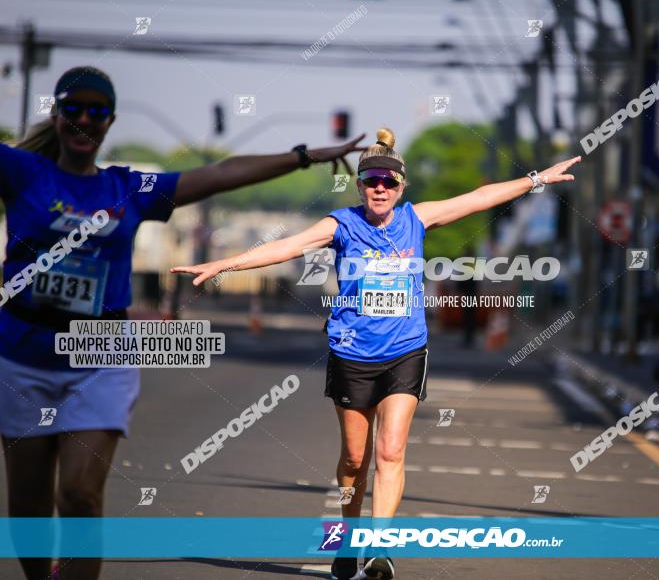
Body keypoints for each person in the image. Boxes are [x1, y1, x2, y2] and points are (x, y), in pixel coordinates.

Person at [0, 65, 365, 580]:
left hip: (99, 353)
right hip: (22, 354)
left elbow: (217, 174)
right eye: (74, 109)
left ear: (110, 122)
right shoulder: (21, 173)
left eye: (97, 111)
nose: (85, 120)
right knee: (30, 508)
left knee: (79, 494)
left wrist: (303, 156)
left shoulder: (128, 188)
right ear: (57, 116)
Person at [172, 127, 580, 580]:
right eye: (371, 181)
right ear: (360, 186)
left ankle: (380, 550)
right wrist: (224, 263)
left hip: (406, 350)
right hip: (351, 354)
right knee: (353, 458)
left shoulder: (417, 219)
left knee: (391, 450)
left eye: (388, 181)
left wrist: (537, 179)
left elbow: (479, 197)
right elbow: (286, 246)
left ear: (401, 186)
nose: (380, 188)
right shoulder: (341, 225)